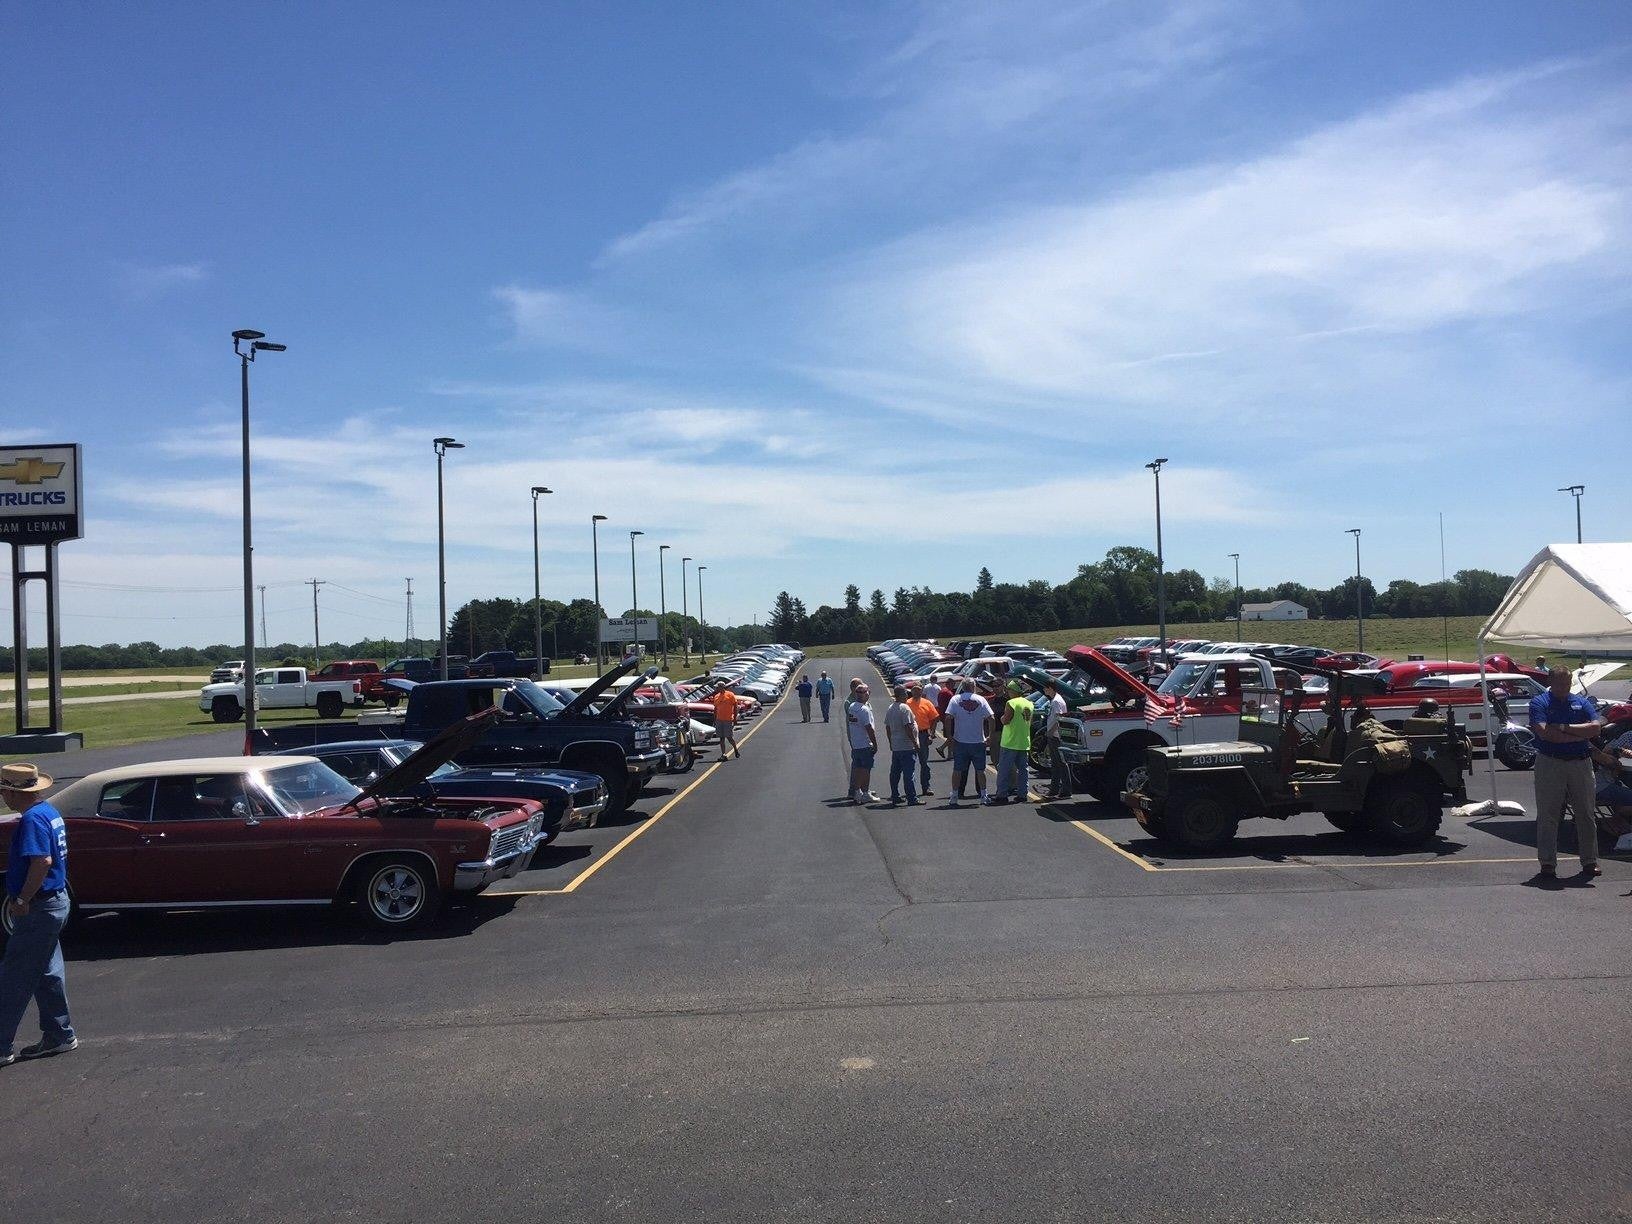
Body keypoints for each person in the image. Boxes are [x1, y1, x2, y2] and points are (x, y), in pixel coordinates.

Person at [0, 763, 76, 1067]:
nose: (4, 795)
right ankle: (59, 1034)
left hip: (39, 906)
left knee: (14, 977)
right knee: (47, 971)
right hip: (56, 901)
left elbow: (41, 861)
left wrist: (21, 898)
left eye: (5, 789)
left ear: (13, 792)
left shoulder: (31, 819)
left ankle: (1, 1045)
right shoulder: (49, 812)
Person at [1528, 667, 1602, 882]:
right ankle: (1548, 863)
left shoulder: (1581, 702)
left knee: (1586, 814)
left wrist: (1563, 727)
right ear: (1551, 681)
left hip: (1580, 764)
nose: (1564, 688)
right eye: (1560, 684)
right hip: (1550, 763)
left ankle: (1589, 860)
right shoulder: (1540, 702)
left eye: (1567, 684)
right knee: (1548, 814)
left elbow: (1595, 728)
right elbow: (1545, 733)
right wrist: (1579, 735)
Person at [943, 679, 994, 808]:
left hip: (960, 741)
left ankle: (954, 796)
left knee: (957, 770)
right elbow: (991, 718)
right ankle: (983, 796)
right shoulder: (981, 700)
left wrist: (949, 736)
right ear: (974, 687)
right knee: (980, 770)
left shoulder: (955, 699)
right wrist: (990, 736)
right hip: (978, 741)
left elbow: (948, 717)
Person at [993, 680, 1036, 804]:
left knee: (1004, 769)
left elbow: (1005, 720)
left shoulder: (1011, 703)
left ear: (1013, 691)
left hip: (1010, 741)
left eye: (1009, 690)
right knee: (1023, 769)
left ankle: (1002, 795)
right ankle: (1023, 794)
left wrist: (1001, 718)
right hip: (1024, 740)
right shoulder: (1029, 703)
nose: (1007, 692)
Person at [883, 686, 921, 806]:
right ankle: (912, 798)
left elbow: (888, 727)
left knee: (895, 772)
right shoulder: (904, 708)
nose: (907, 695)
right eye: (905, 694)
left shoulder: (891, 708)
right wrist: (915, 742)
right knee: (909, 773)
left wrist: (890, 742)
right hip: (906, 746)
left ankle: (895, 796)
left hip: (896, 745)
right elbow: (908, 727)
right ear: (901, 695)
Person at [905, 682, 941, 796]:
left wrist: (931, 733)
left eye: (918, 689)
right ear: (911, 691)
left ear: (922, 691)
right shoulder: (907, 703)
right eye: (914, 690)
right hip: (909, 735)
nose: (916, 692)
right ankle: (910, 790)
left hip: (923, 735)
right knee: (908, 762)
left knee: (924, 762)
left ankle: (926, 787)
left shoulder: (927, 703)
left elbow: (935, 718)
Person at [846, 683, 879, 803]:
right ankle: (865, 793)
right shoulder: (864, 710)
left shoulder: (852, 706)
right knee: (866, 769)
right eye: (866, 692)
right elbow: (869, 728)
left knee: (858, 769)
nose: (867, 694)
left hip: (856, 744)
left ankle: (857, 792)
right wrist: (875, 744)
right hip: (865, 744)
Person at [1042, 679, 1072, 800]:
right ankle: (1054, 789)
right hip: (1055, 735)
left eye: (1045, 688)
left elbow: (1058, 718)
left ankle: (1065, 790)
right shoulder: (1055, 700)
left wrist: (1050, 732)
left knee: (1060, 763)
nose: (1044, 690)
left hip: (1056, 736)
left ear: (1050, 688)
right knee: (1055, 764)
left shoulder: (1056, 702)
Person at [711, 686, 742, 760]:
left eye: (717, 687)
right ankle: (723, 754)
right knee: (721, 738)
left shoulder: (730, 695)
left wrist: (734, 718)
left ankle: (735, 749)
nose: (716, 689)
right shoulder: (716, 696)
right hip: (719, 720)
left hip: (727, 719)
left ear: (721, 687)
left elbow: (735, 705)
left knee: (729, 737)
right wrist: (715, 719)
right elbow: (715, 708)